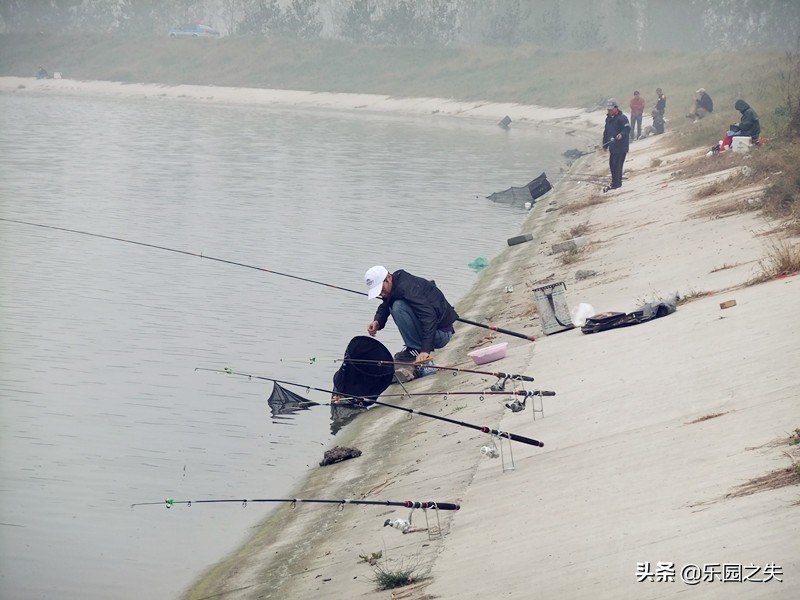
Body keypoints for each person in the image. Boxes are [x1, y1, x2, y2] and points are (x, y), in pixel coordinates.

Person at [364, 266, 457, 364]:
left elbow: (429, 317)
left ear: (389, 278)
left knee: (398, 306)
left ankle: (415, 349)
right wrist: (377, 321)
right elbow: (386, 304)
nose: (381, 294)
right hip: (434, 332)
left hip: (441, 334)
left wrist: (425, 350)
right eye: (378, 293)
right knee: (394, 304)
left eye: (381, 289)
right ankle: (414, 347)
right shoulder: (397, 285)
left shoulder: (407, 288)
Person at [601, 99, 630, 190]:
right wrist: (605, 145)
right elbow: (606, 132)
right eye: (608, 110)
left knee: (617, 165)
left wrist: (621, 134)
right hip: (612, 147)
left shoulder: (622, 118)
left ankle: (617, 184)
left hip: (621, 147)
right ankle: (615, 182)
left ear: (616, 108)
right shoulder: (608, 119)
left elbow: (627, 129)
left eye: (611, 109)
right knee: (612, 165)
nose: (609, 111)